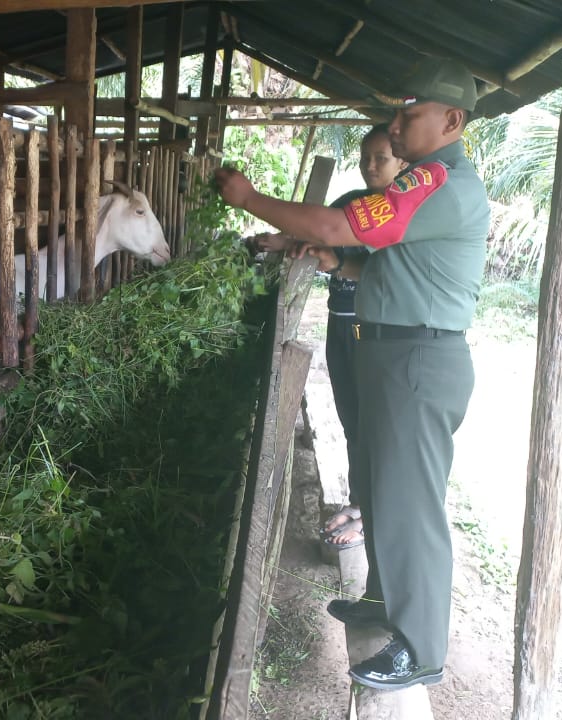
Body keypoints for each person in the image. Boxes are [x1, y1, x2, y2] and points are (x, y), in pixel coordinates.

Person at [215, 57, 488, 690]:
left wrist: (251, 199)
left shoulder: (440, 182)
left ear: (451, 120)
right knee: (383, 490)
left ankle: (420, 649)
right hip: (394, 350)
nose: (396, 126)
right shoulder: (423, 182)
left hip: (418, 358)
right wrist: (342, 267)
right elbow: (385, 271)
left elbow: (342, 221)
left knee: (412, 506)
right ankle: (385, 603)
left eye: (409, 114)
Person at [262, 126, 407, 551]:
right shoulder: (351, 205)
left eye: (381, 157)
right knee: (350, 416)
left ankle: (370, 514)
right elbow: (320, 233)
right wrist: (283, 241)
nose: (370, 165)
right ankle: (361, 503)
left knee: (370, 420)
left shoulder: (401, 213)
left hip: (370, 328)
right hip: (341, 323)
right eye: (366, 157)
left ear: (402, 161)